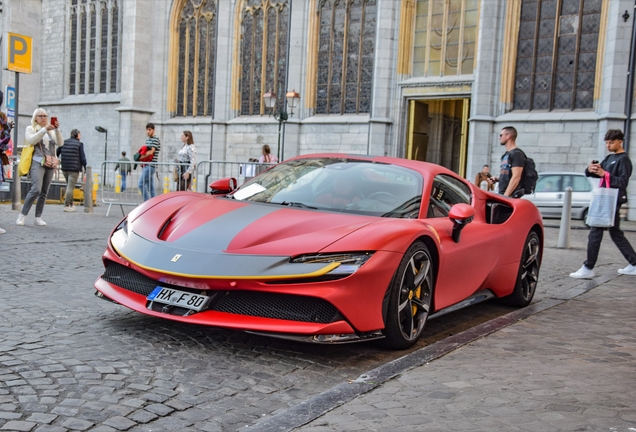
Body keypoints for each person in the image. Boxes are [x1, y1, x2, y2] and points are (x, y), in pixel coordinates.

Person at [570, 129, 636, 278]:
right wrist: (590, 169)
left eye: (611, 142)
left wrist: (604, 174)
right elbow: (594, 173)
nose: (608, 145)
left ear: (620, 141)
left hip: (612, 201)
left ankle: (588, 267)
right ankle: (634, 263)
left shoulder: (624, 159)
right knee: (616, 234)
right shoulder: (609, 158)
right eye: (606, 142)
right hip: (606, 200)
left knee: (595, 232)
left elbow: (622, 182)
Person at [16, 108, 63, 226]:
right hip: (38, 161)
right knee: (36, 189)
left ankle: (38, 217)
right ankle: (22, 215)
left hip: (50, 163)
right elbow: (32, 140)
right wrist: (43, 130)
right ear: (35, 118)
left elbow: (60, 143)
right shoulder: (31, 128)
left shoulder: (51, 130)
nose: (43, 118)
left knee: (44, 192)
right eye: (40, 116)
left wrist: (57, 129)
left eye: (45, 116)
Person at [489, 126, 526, 198]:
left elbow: (516, 177)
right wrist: (497, 179)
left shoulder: (517, 154)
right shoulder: (506, 154)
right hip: (503, 194)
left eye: (501, 135)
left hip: (510, 197)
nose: (499, 138)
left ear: (508, 136)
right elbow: (509, 175)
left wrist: (506, 196)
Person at [56, 129, 87, 212]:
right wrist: (85, 166)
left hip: (65, 167)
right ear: (76, 135)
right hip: (74, 168)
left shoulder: (63, 142)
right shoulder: (79, 144)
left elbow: (57, 152)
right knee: (70, 187)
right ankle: (66, 205)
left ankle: (71, 204)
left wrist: (57, 159)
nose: (80, 137)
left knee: (69, 186)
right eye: (80, 135)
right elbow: (82, 157)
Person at [138, 123, 160, 201]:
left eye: (149, 130)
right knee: (151, 187)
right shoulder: (147, 140)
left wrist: (140, 158)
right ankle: (154, 203)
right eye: (147, 130)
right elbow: (146, 152)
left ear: (153, 130)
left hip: (151, 165)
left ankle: (147, 202)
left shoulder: (156, 139)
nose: (148, 131)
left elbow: (151, 152)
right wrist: (142, 160)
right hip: (146, 165)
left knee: (140, 184)